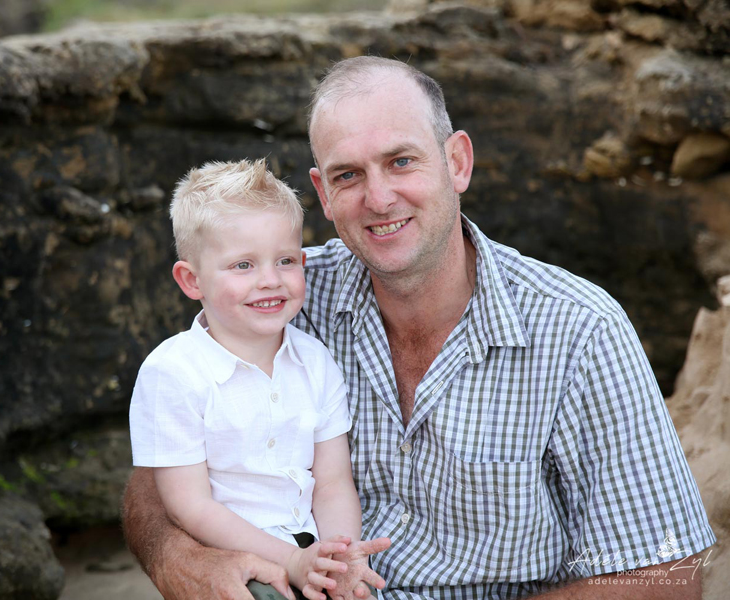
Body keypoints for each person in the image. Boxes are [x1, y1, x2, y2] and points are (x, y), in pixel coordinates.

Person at [122, 57, 716, 599]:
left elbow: (670, 576)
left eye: (401, 161)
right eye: (348, 175)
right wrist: (177, 556)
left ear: (457, 162)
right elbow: (164, 469)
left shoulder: (580, 330)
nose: (379, 198)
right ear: (322, 193)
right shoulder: (284, 297)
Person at [128, 159, 390, 600]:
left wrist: (340, 555)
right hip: (235, 562)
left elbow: (332, 482)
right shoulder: (172, 373)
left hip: (311, 549)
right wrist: (291, 561)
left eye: (285, 261)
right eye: (243, 265)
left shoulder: (315, 360)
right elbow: (190, 506)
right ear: (192, 280)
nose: (270, 280)